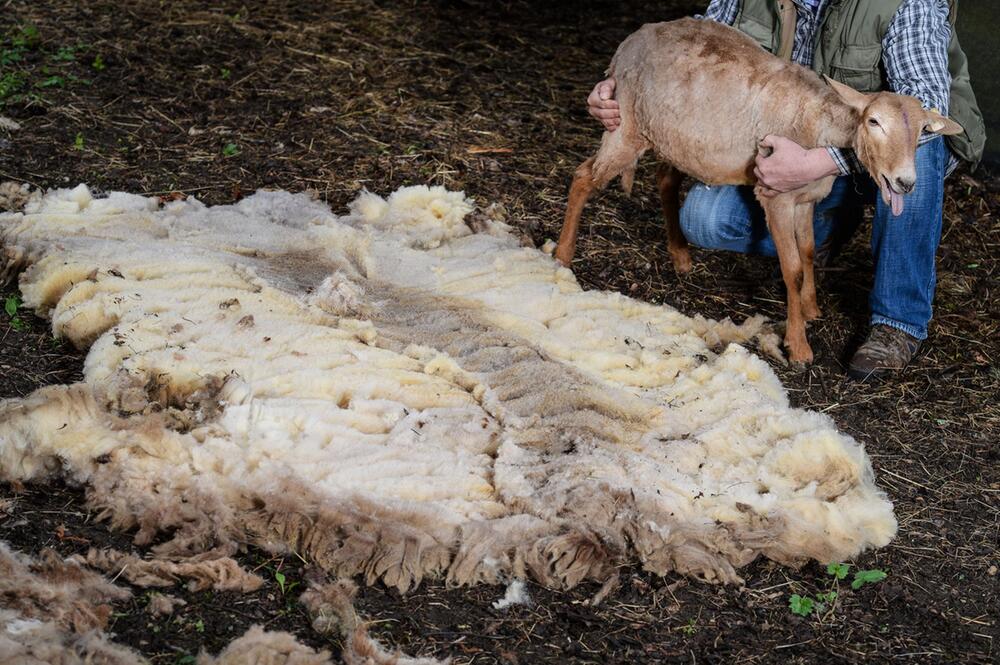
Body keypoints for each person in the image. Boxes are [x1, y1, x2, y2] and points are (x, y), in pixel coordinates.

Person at [587, 0, 985, 380]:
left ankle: (898, 321)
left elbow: (926, 100)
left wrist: (817, 163)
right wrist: (621, 82)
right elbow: (698, 39)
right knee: (704, 220)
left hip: (879, 151)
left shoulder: (903, 4)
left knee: (920, 153)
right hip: (794, 143)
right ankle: (829, 224)